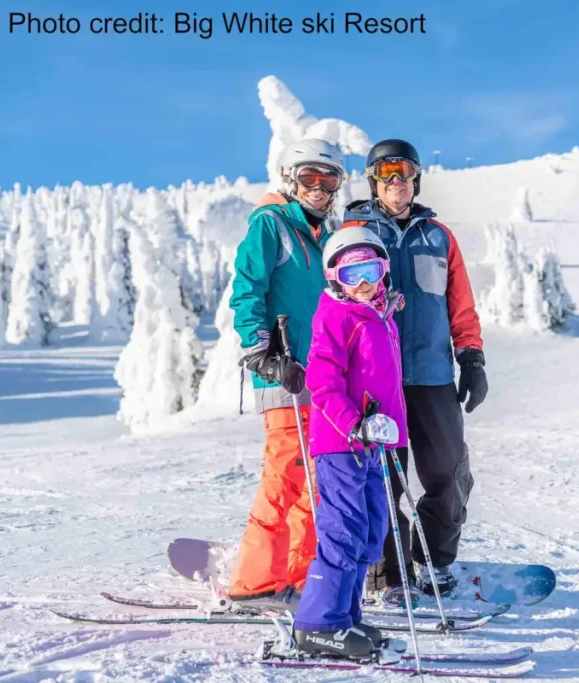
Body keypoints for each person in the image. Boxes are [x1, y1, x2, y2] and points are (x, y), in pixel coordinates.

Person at [341, 139, 488, 604]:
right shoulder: (354, 233)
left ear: (415, 180)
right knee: (382, 477)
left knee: (448, 470)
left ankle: (434, 559)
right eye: (386, 176)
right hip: (374, 379)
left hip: (432, 375)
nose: (396, 184)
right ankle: (390, 571)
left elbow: (459, 304)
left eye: (403, 175)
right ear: (373, 183)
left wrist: (472, 357)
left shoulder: (439, 237)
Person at [226, 138, 345, 611]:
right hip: (283, 372)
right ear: (290, 179)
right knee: (286, 474)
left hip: (319, 378)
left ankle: (295, 577)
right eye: (310, 178)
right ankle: (253, 583)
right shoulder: (271, 224)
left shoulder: (319, 237)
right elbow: (246, 288)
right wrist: (261, 351)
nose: (319, 188)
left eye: (329, 179)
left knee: (316, 480)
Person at [292, 226, 408, 657]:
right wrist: (353, 425)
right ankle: (318, 624)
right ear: (333, 279)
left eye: (370, 271)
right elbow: (322, 382)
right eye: (350, 273)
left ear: (383, 272)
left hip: (371, 446)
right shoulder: (336, 316)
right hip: (341, 444)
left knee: (372, 529)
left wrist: (384, 432)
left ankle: (346, 614)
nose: (361, 283)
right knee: (342, 531)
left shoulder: (380, 317)